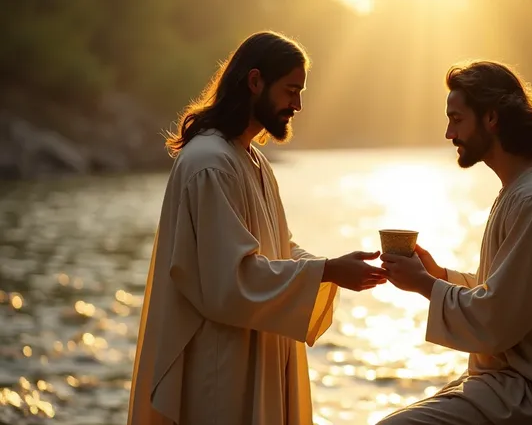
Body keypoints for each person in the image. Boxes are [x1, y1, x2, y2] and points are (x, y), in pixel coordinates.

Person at [127, 31, 387, 425]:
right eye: (290, 90)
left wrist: (331, 265)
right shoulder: (209, 163)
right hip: (221, 370)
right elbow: (230, 280)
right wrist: (328, 271)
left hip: (253, 356)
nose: (298, 104)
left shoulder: (250, 160)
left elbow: (277, 247)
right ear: (254, 82)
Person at [378, 61, 532, 425]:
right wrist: (439, 274)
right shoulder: (523, 190)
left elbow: (497, 320)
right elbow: (508, 295)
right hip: (511, 384)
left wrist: (424, 284)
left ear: (492, 119)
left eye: (456, 118)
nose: (449, 133)